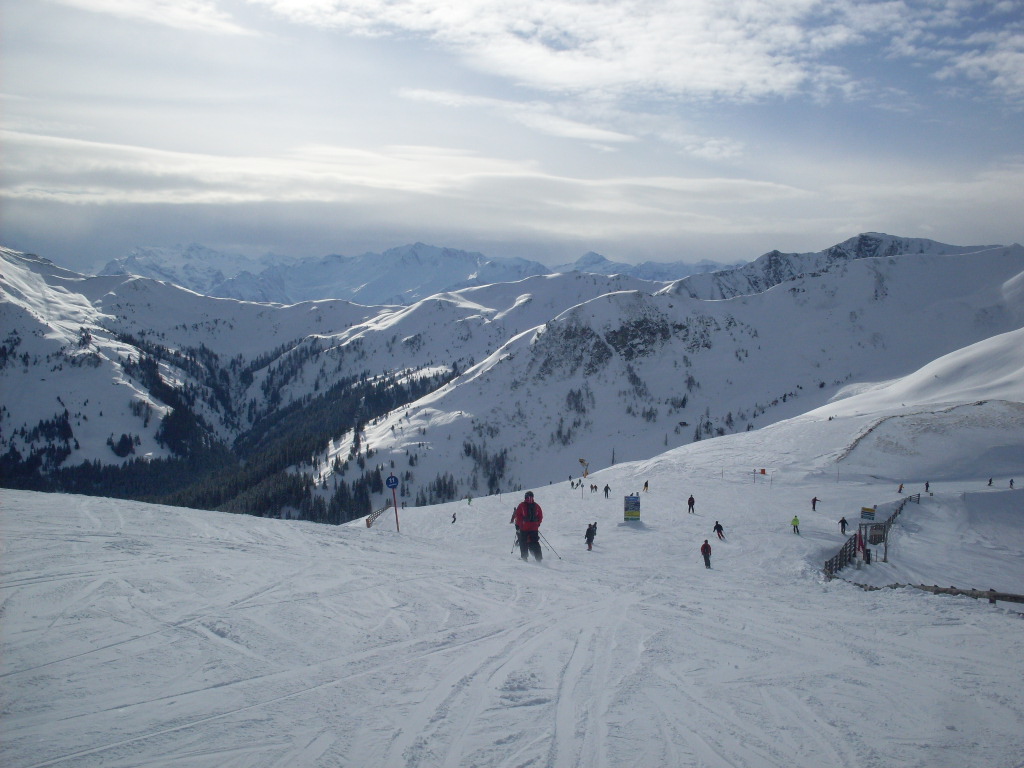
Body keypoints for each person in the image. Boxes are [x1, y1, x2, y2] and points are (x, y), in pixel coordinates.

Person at [514, 491, 544, 561]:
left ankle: (524, 557)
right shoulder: (536, 506)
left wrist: (518, 525)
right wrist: (537, 524)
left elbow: (518, 516)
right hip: (534, 528)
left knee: (523, 541)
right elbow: (540, 516)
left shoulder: (522, 505)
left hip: (524, 527)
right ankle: (539, 558)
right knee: (535, 542)